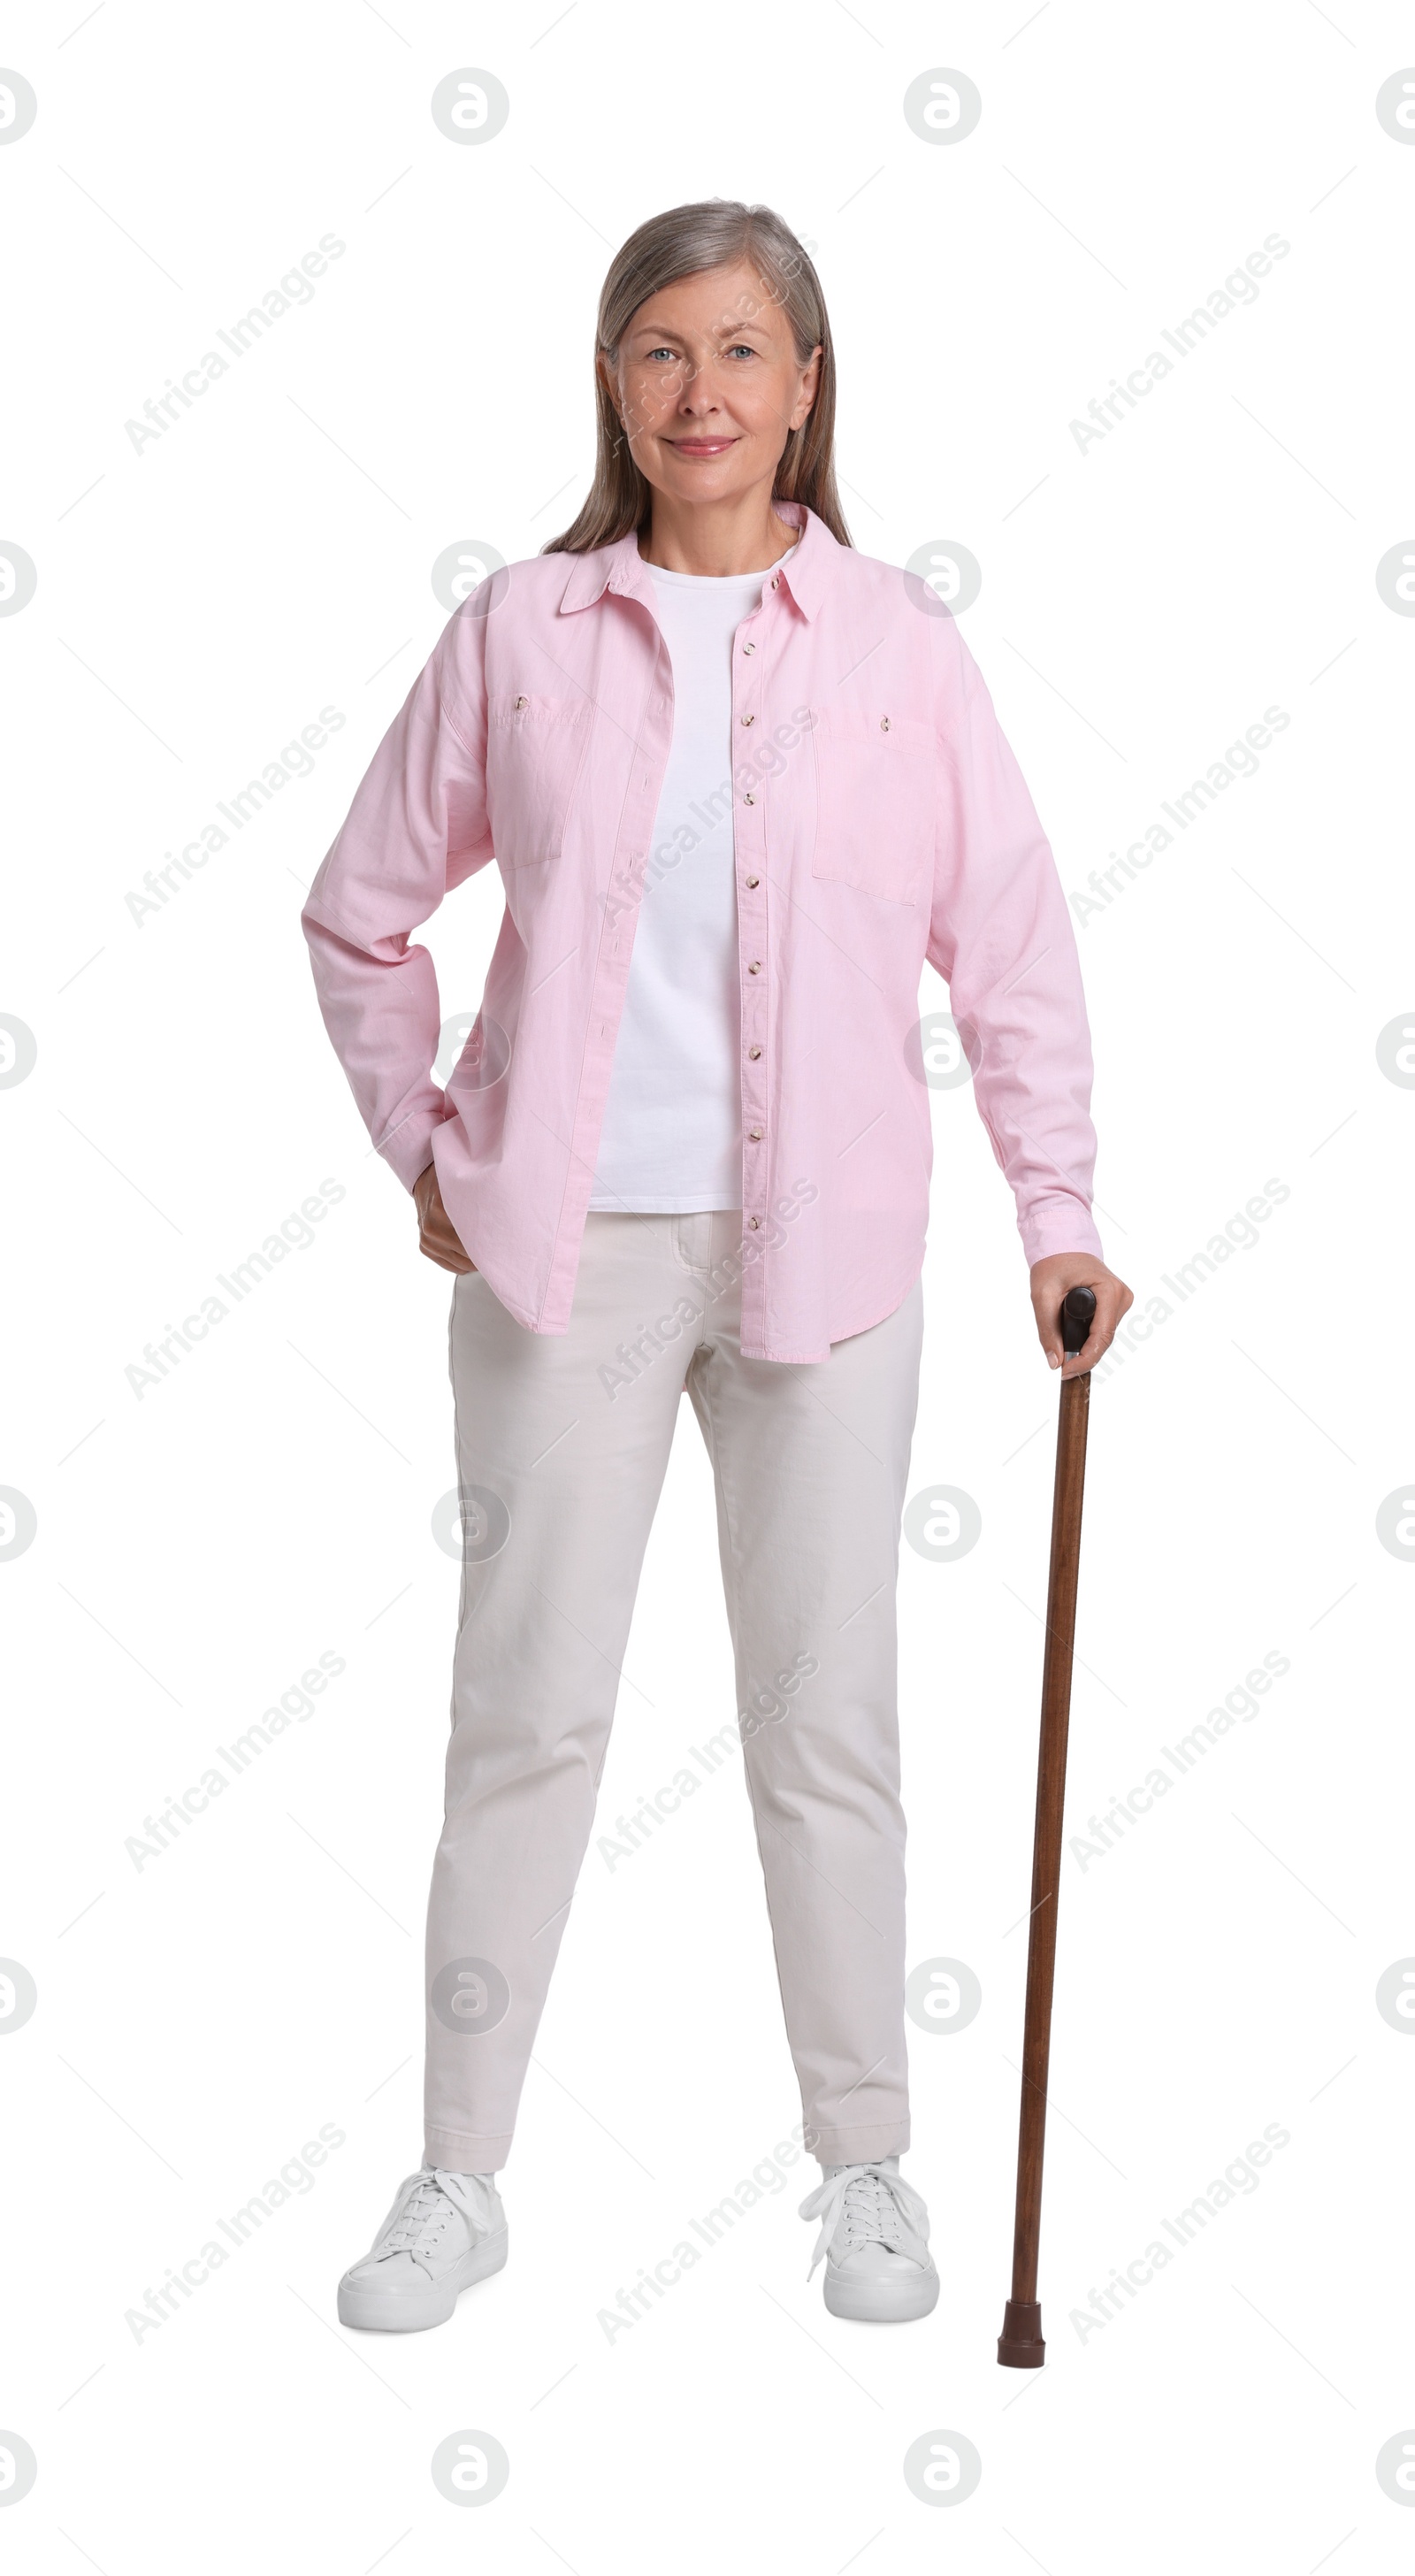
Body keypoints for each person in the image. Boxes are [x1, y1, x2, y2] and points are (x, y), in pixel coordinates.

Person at [301, 197, 1132, 2335]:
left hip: (826, 1256)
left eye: (741, 352)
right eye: (660, 350)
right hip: (562, 1257)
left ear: (807, 386)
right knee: (526, 1721)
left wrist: (1061, 1220)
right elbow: (356, 911)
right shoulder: (521, 631)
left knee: (823, 1727)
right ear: (612, 381)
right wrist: (429, 1151)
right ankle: (454, 2178)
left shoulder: (892, 648)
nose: (700, 395)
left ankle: (866, 2171)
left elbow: (1012, 951)